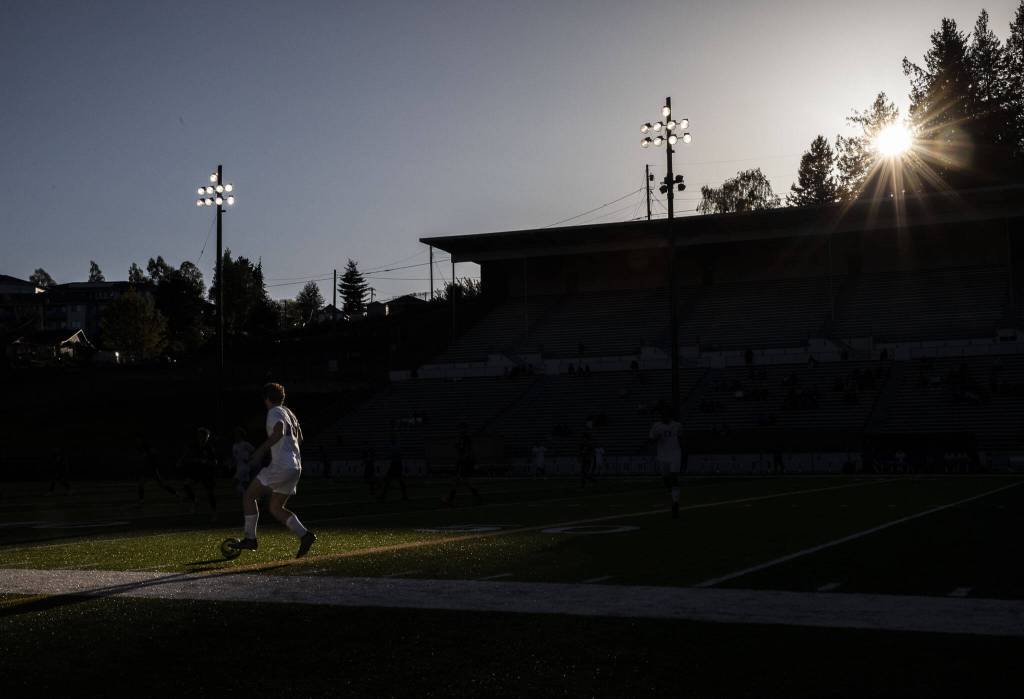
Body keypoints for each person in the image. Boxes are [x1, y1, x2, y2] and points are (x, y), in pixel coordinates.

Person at [228, 383, 316, 558]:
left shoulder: (274, 411)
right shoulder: (288, 412)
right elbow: (300, 437)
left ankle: (250, 538)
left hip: (282, 466)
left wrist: (260, 452)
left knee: (249, 496)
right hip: (295, 466)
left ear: (266, 398)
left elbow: (278, 432)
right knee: (276, 507)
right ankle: (305, 535)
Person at [649, 404, 685, 519]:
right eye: (662, 414)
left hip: (675, 454)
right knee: (665, 478)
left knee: (674, 477)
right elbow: (651, 440)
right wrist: (656, 438)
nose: (663, 416)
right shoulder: (656, 426)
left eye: (666, 414)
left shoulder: (677, 425)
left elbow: (682, 438)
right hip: (662, 456)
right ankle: (673, 495)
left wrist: (684, 453)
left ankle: (675, 502)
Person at [178, 427, 219, 519]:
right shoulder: (194, 446)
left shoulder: (209, 448)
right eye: (199, 436)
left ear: (207, 437)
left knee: (210, 493)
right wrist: (182, 460)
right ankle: (194, 501)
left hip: (207, 473)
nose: (201, 438)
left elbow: (215, 462)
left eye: (203, 436)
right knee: (186, 485)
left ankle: (214, 512)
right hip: (196, 472)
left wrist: (205, 461)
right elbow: (187, 454)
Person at [443, 423, 480, 506]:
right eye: (459, 429)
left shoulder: (466, 439)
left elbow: (467, 451)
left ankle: (449, 499)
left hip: (464, 462)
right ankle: (477, 497)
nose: (459, 431)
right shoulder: (462, 438)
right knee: (466, 481)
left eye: (461, 429)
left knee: (458, 481)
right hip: (463, 462)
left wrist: (462, 459)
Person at [136, 436, 178, 503]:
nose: (138, 442)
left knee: (163, 485)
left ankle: (176, 493)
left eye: (139, 441)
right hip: (147, 471)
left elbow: (154, 459)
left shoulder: (149, 450)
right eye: (137, 441)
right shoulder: (141, 450)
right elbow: (144, 460)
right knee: (141, 484)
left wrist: (155, 469)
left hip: (153, 470)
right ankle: (141, 500)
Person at [378, 430, 408, 502]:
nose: (390, 440)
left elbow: (394, 455)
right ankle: (404, 495)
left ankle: (384, 495)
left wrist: (386, 456)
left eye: (391, 438)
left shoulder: (395, 446)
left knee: (390, 480)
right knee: (396, 480)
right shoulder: (396, 445)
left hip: (396, 464)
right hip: (396, 463)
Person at [231, 428, 255, 495]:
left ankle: (247, 496)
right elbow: (234, 456)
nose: (236, 436)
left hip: (245, 467)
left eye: (237, 434)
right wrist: (232, 463)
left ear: (241, 435)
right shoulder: (234, 445)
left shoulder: (245, 444)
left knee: (234, 482)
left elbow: (254, 451)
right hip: (238, 467)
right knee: (243, 485)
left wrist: (249, 459)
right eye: (235, 434)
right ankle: (249, 496)